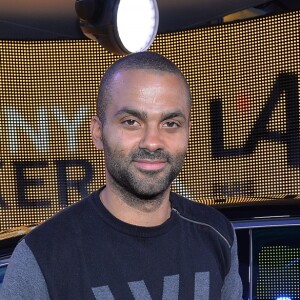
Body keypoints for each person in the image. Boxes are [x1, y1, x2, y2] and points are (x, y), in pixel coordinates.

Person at [0, 51, 242, 299]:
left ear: (188, 133)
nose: (152, 142)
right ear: (98, 132)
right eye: (131, 122)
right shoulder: (42, 255)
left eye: (170, 124)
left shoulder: (217, 233)